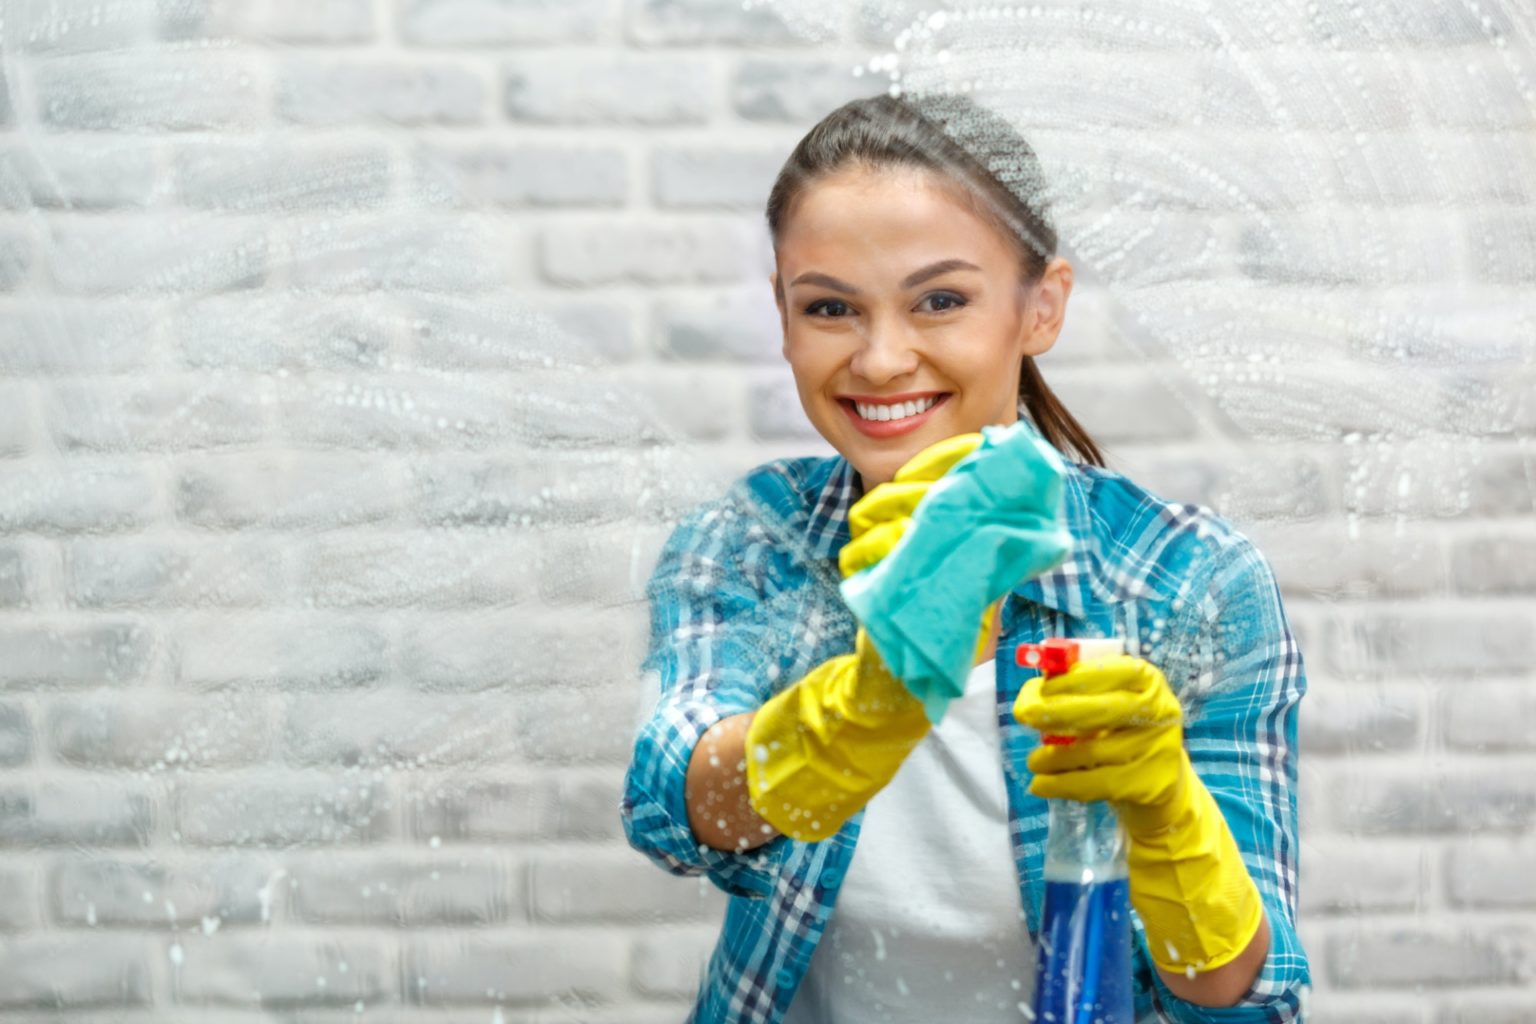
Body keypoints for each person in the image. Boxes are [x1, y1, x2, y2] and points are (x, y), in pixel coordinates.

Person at [620, 91, 1311, 1023]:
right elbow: (678, 811)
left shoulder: (1190, 581)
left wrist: (1165, 812)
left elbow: (1234, 998)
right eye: (829, 308)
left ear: (1042, 308)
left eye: (940, 300)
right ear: (783, 321)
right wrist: (866, 707)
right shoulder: (752, 543)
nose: (881, 359)